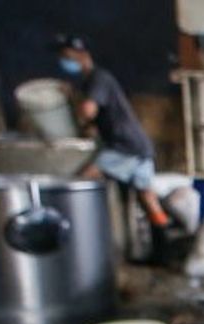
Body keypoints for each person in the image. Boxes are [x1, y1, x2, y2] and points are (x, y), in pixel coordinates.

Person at [54, 34, 169, 228]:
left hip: (124, 146)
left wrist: (72, 103)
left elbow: (88, 111)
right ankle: (162, 251)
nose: (64, 61)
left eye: (67, 56)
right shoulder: (92, 81)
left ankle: (76, 230)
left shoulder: (98, 78)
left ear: (82, 55)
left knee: (83, 180)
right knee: (147, 197)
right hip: (138, 145)